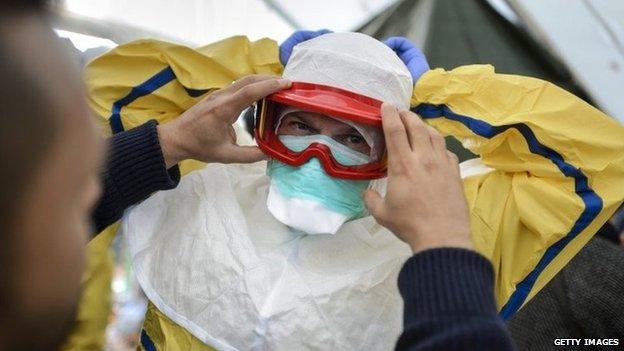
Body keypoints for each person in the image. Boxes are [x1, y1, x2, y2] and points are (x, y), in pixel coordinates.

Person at [84, 27, 624, 350]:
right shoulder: (207, 183)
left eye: (352, 138)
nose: (320, 155)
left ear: (393, 150)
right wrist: (274, 66)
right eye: (300, 126)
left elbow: (600, 159)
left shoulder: (444, 225)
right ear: (264, 125)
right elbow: (105, 91)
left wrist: (427, 95)